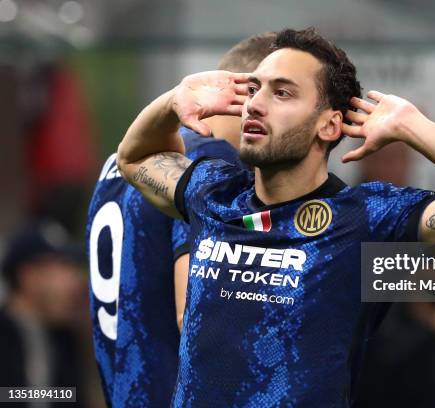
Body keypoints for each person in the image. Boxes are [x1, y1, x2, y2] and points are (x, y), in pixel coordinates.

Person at [116, 28, 435, 406]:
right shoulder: (213, 194)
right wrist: (173, 100)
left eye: (282, 93)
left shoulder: (366, 217)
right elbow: (134, 158)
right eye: (254, 90)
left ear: (329, 125)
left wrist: (414, 127)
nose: (256, 105)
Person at [86, 32, 276, 407]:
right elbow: (192, 313)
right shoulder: (210, 164)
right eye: (281, 94)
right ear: (247, 93)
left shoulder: (120, 163)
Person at [0, 221, 88, 407]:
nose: (76, 281)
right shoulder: (5, 333)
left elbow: (74, 398)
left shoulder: (63, 337)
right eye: (64, 267)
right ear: (29, 276)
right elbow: (8, 394)